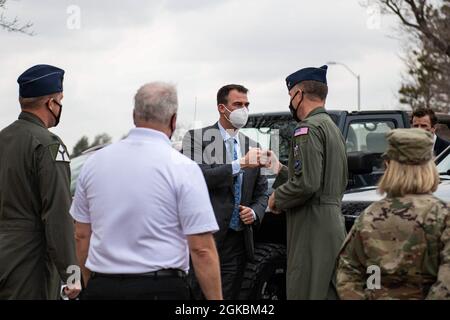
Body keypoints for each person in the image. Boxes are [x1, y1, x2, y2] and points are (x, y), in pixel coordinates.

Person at [70, 82, 222, 300]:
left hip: (102, 286)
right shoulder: (183, 167)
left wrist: (90, 284)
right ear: (173, 119)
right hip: (161, 288)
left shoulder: (94, 164)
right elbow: (202, 250)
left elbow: (81, 234)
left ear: (134, 116)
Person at [337, 128, 450, 299]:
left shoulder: (369, 216)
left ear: (389, 166)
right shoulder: (442, 216)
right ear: (430, 167)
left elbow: (347, 273)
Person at [0, 64, 80, 299]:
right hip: (29, 262)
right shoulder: (48, 144)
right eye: (60, 100)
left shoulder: (3, 138)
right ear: (51, 102)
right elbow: (58, 213)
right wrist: (71, 274)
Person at [267, 65, 348, 300]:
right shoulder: (331, 128)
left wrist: (276, 198)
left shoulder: (307, 129)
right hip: (332, 222)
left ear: (298, 94)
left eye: (290, 95)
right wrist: (280, 169)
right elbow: (321, 179)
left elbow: (307, 184)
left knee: (305, 290)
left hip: (311, 225)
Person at [182, 84, 269, 300]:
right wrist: (239, 164)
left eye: (246, 105)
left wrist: (255, 212)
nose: (244, 110)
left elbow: (262, 192)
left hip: (237, 240)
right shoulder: (196, 139)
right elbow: (199, 177)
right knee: (196, 295)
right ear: (222, 108)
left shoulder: (252, 145)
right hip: (205, 236)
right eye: (238, 104)